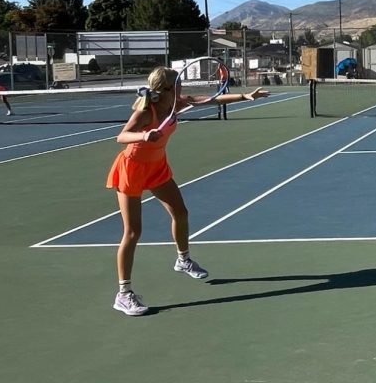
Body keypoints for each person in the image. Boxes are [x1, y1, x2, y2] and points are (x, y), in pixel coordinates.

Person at [107, 66, 270, 316]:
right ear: (167, 89)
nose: (184, 88)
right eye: (179, 84)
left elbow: (210, 99)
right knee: (132, 232)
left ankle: (183, 260)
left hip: (157, 167)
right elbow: (122, 136)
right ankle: (124, 294)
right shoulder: (145, 112)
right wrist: (144, 135)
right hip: (132, 168)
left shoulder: (176, 104)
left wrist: (245, 96)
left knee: (181, 213)